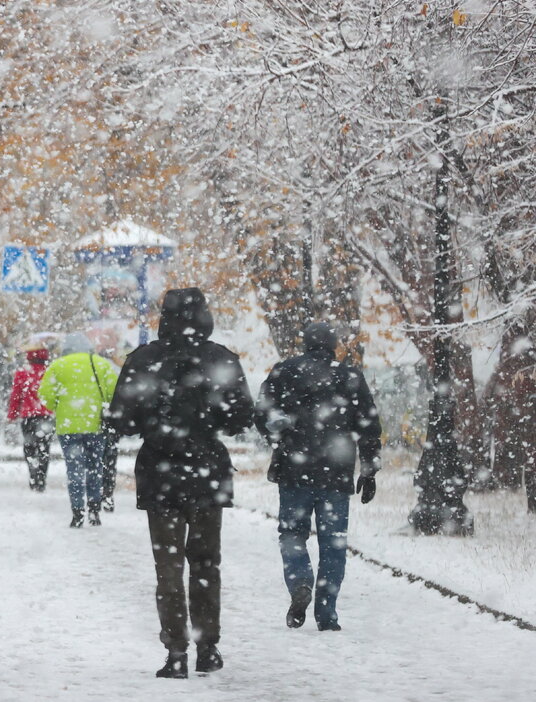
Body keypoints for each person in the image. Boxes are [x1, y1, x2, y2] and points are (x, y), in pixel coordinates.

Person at [107, 287, 254, 679]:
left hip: (160, 474)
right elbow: (240, 418)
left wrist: (153, 421)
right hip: (207, 472)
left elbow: (121, 420)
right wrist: (209, 418)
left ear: (164, 316)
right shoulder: (222, 359)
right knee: (206, 563)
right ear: (204, 315)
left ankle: (175, 651)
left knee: (168, 568)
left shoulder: (143, 359)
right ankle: (208, 647)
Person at [254, 321, 382, 631]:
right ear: (334, 345)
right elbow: (368, 425)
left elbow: (260, 413)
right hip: (335, 475)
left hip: (293, 470)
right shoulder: (350, 376)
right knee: (333, 543)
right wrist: (369, 468)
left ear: (305, 343)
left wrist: (278, 433)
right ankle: (327, 614)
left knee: (292, 534)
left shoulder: (284, 372)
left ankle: (300, 581)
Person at [38, 334, 117, 527]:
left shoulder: (57, 366)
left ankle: (77, 511)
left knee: (74, 469)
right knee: (95, 468)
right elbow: (114, 392)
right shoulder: (101, 364)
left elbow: (45, 395)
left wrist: (59, 406)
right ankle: (94, 510)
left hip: (68, 427)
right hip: (96, 424)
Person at [7, 347, 55, 491]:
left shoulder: (22, 373)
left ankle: (33, 474)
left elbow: (16, 396)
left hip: (29, 417)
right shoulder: (50, 372)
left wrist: (12, 414)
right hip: (46, 416)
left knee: (29, 447)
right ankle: (41, 478)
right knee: (44, 448)